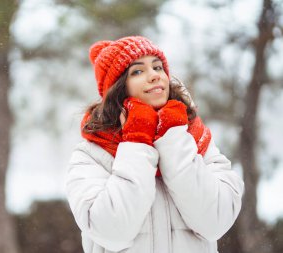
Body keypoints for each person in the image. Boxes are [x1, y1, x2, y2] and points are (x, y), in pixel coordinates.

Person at [65, 36, 244, 253]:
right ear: (118, 88)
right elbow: (112, 230)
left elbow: (215, 221)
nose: (154, 76)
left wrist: (174, 137)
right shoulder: (91, 155)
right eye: (138, 71)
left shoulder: (198, 141)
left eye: (157, 67)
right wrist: (136, 140)